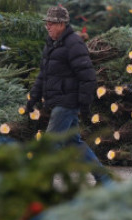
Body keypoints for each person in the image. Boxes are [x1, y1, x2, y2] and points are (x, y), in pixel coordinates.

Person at [27, 5, 113, 185]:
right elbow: (44, 75)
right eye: (47, 24)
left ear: (62, 24)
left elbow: (88, 76)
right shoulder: (51, 44)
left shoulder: (73, 43)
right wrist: (33, 98)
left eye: (51, 23)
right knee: (74, 143)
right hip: (58, 101)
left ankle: (40, 185)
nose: (48, 27)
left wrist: (85, 105)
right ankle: (104, 179)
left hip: (67, 102)